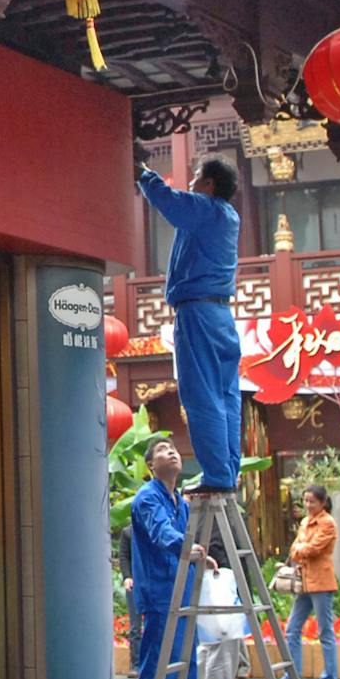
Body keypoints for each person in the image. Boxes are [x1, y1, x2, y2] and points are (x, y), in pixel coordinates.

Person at [136, 159, 242, 493]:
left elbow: (169, 201)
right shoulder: (227, 216)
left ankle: (217, 475)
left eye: (197, 178)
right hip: (221, 315)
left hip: (197, 312)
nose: (192, 183)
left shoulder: (205, 210)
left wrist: (143, 174)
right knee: (226, 396)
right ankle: (227, 471)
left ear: (209, 184)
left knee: (201, 394)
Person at [129, 439, 221, 679]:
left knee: (185, 667)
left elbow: (183, 540)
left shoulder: (180, 503)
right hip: (159, 594)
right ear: (151, 465)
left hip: (181, 591)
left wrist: (200, 557)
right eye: (162, 450)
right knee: (157, 670)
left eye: (173, 449)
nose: (171, 452)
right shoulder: (147, 498)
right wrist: (187, 548)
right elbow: (162, 532)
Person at [196, 510, 254, 679]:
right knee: (221, 646)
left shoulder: (211, 512)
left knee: (210, 646)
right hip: (220, 582)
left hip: (219, 581)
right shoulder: (212, 512)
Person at [285, 485, 340, 679]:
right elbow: (295, 549)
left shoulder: (328, 523)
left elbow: (313, 549)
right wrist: (301, 549)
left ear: (322, 503)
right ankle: (292, 676)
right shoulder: (305, 522)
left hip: (321, 582)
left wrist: (300, 548)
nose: (308, 505)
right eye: (306, 501)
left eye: (312, 501)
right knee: (292, 628)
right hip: (305, 583)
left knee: (325, 631)